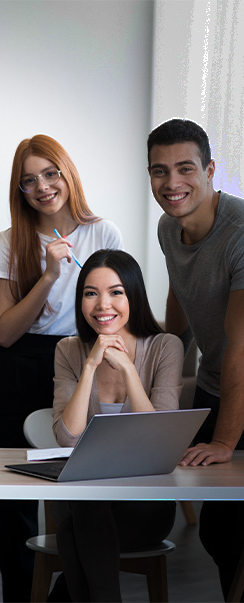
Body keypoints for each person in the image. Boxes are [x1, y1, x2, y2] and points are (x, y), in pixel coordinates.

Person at [0, 134, 123, 601]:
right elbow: (5, 332)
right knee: (11, 505)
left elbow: (116, 311)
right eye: (28, 181)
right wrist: (50, 276)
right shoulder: (9, 240)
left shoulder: (103, 233)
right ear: (19, 191)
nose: (42, 186)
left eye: (50, 173)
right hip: (14, 369)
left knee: (79, 499)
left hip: (79, 364)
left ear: (67, 172)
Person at [147, 117, 244, 600]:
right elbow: (178, 303)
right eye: (159, 171)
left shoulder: (240, 233)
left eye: (185, 168)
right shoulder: (170, 227)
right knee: (218, 531)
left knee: (227, 528)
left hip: (241, 382)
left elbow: (241, 346)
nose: (172, 183)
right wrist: (156, 372)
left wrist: (226, 440)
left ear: (209, 170)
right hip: (213, 382)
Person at [50, 249, 182, 602]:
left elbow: (158, 441)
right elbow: (66, 438)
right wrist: (91, 367)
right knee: (87, 505)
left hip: (145, 504)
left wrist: (126, 368)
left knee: (71, 533)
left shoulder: (165, 346)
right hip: (85, 502)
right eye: (90, 293)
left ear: (133, 296)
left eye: (116, 292)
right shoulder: (69, 350)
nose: (102, 304)